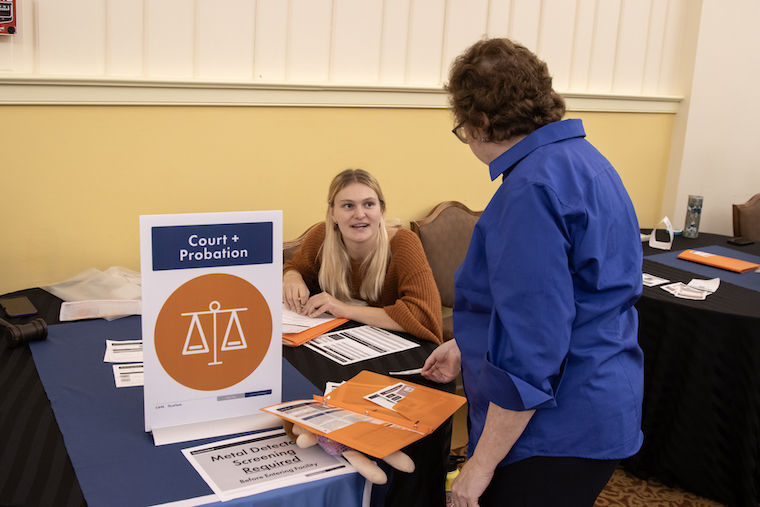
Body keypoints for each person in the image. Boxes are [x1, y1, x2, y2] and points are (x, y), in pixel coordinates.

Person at [422, 38, 644, 507]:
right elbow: (573, 298)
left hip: (556, 428)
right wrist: (469, 345)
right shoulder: (588, 161)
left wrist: (477, 467)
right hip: (604, 397)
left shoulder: (529, 191)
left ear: (480, 122)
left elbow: (532, 351)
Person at [283, 168, 443, 344]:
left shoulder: (404, 243)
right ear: (332, 213)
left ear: (381, 210)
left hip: (394, 346)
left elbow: (425, 317)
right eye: (348, 206)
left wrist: (345, 309)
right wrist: (292, 276)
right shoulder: (321, 237)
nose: (359, 215)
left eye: (368, 204)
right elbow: (295, 267)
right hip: (343, 343)